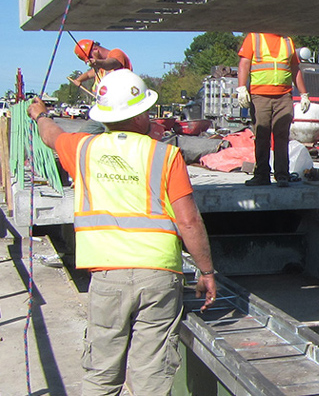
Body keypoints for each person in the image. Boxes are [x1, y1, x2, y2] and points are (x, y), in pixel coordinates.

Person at [28, 69, 216, 396]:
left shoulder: (82, 149)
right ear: (141, 115)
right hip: (158, 276)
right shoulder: (165, 155)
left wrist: (40, 113)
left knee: (101, 374)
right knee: (151, 377)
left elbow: (50, 134)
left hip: (106, 275)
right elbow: (189, 222)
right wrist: (207, 272)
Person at [236, 33, 310, 187]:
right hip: (259, 96)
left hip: (283, 97)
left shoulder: (288, 41)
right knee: (262, 136)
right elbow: (244, 64)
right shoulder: (254, 38)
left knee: (282, 137)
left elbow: (295, 69)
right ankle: (261, 175)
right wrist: (242, 88)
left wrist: (304, 94)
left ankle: (282, 175)